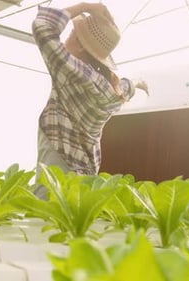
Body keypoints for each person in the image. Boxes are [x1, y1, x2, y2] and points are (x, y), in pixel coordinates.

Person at [32, 2, 148, 199]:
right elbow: (126, 88)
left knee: (42, 219)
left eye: (70, 35)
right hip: (86, 174)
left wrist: (86, 6)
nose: (64, 39)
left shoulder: (72, 71)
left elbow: (43, 27)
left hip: (56, 165)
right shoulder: (110, 89)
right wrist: (138, 83)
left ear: (79, 44)